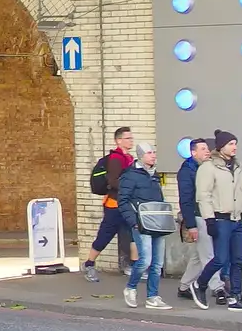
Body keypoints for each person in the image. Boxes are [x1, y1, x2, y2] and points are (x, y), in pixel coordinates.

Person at [192, 130, 242, 313]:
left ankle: (236, 298)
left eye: (235, 143)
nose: (234, 147)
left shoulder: (236, 167)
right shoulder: (208, 167)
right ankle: (199, 284)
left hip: (236, 220)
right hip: (220, 219)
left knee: (238, 260)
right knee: (220, 259)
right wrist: (209, 220)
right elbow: (203, 196)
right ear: (221, 147)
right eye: (231, 144)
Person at [117, 143, 171, 309]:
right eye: (149, 153)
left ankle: (152, 297)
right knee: (145, 261)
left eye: (154, 152)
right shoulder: (130, 175)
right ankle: (131, 288)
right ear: (141, 156)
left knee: (157, 264)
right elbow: (123, 201)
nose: (153, 155)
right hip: (140, 224)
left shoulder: (154, 175)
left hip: (158, 224)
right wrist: (133, 222)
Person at [82, 126, 137, 282]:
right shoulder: (116, 159)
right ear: (118, 140)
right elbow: (113, 181)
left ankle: (134, 266)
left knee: (134, 234)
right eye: (128, 138)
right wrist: (129, 187)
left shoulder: (129, 158)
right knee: (105, 235)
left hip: (126, 204)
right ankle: (89, 264)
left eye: (131, 138)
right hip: (114, 205)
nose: (131, 141)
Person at [176, 139, 224, 303]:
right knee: (209, 255)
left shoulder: (208, 167)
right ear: (193, 152)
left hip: (209, 215)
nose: (207, 151)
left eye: (207, 148)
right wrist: (191, 225)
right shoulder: (187, 171)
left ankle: (184, 287)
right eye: (203, 149)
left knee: (199, 255)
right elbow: (186, 200)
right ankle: (218, 288)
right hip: (198, 216)